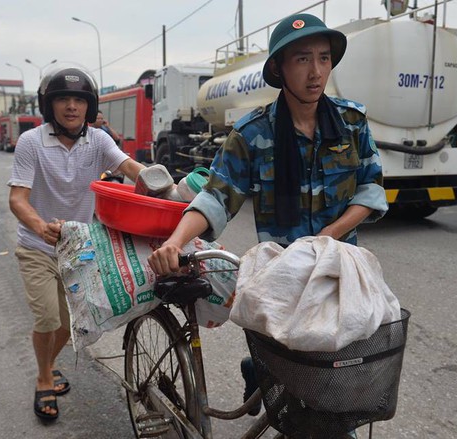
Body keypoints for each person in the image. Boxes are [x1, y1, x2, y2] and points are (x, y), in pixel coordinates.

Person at [147, 13, 387, 429]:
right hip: (284, 275)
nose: (316, 73)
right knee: (295, 382)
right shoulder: (252, 135)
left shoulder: (351, 123)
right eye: (302, 60)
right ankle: (259, 369)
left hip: (341, 268)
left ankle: (266, 376)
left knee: (340, 383)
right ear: (279, 68)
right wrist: (175, 242)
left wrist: (328, 237)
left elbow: (371, 188)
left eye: (324, 58)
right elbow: (217, 197)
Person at [7, 66, 146, 421]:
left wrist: (167, 186)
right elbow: (17, 199)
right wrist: (40, 227)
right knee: (47, 318)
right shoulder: (31, 142)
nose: (71, 107)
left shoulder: (98, 140)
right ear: (49, 105)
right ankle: (43, 378)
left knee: (71, 324)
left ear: (89, 105)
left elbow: (131, 168)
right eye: (63, 99)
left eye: (78, 100)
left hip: (79, 249)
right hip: (37, 247)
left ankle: (49, 364)